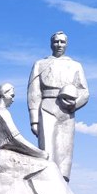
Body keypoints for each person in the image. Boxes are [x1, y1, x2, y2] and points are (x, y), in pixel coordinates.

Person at [0, 82, 88, 194]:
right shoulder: (2, 113)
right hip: (1, 158)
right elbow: (15, 139)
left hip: (1, 156)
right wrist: (38, 153)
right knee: (49, 166)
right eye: (12, 95)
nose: (13, 99)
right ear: (4, 95)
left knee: (48, 164)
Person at [28, 31, 89, 182]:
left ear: (67, 44)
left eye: (62, 42)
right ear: (51, 44)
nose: (59, 45)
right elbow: (34, 92)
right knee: (47, 150)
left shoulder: (75, 65)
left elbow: (85, 91)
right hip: (47, 107)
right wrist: (34, 120)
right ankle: (48, 185)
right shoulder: (40, 64)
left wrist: (75, 103)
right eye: (56, 42)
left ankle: (62, 189)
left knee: (64, 151)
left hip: (67, 110)